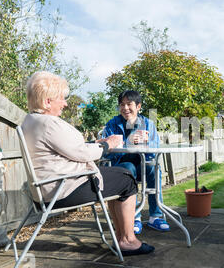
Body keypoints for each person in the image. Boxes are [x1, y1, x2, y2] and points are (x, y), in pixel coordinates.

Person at [21, 71, 154, 256]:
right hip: (63, 190)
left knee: (118, 176)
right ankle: (127, 240)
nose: (66, 103)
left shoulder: (30, 121)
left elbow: (68, 148)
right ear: (47, 102)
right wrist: (108, 144)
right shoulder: (49, 124)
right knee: (127, 179)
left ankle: (120, 236)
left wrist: (95, 144)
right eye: (61, 98)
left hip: (47, 188)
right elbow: (81, 154)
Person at [102, 90, 170, 235]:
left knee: (153, 167)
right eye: (122, 105)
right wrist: (127, 142)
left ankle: (155, 216)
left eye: (129, 104)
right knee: (128, 168)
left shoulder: (147, 123)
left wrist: (144, 144)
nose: (125, 108)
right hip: (121, 165)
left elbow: (155, 148)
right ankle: (133, 217)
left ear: (138, 106)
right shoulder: (112, 124)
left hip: (143, 164)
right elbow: (106, 149)